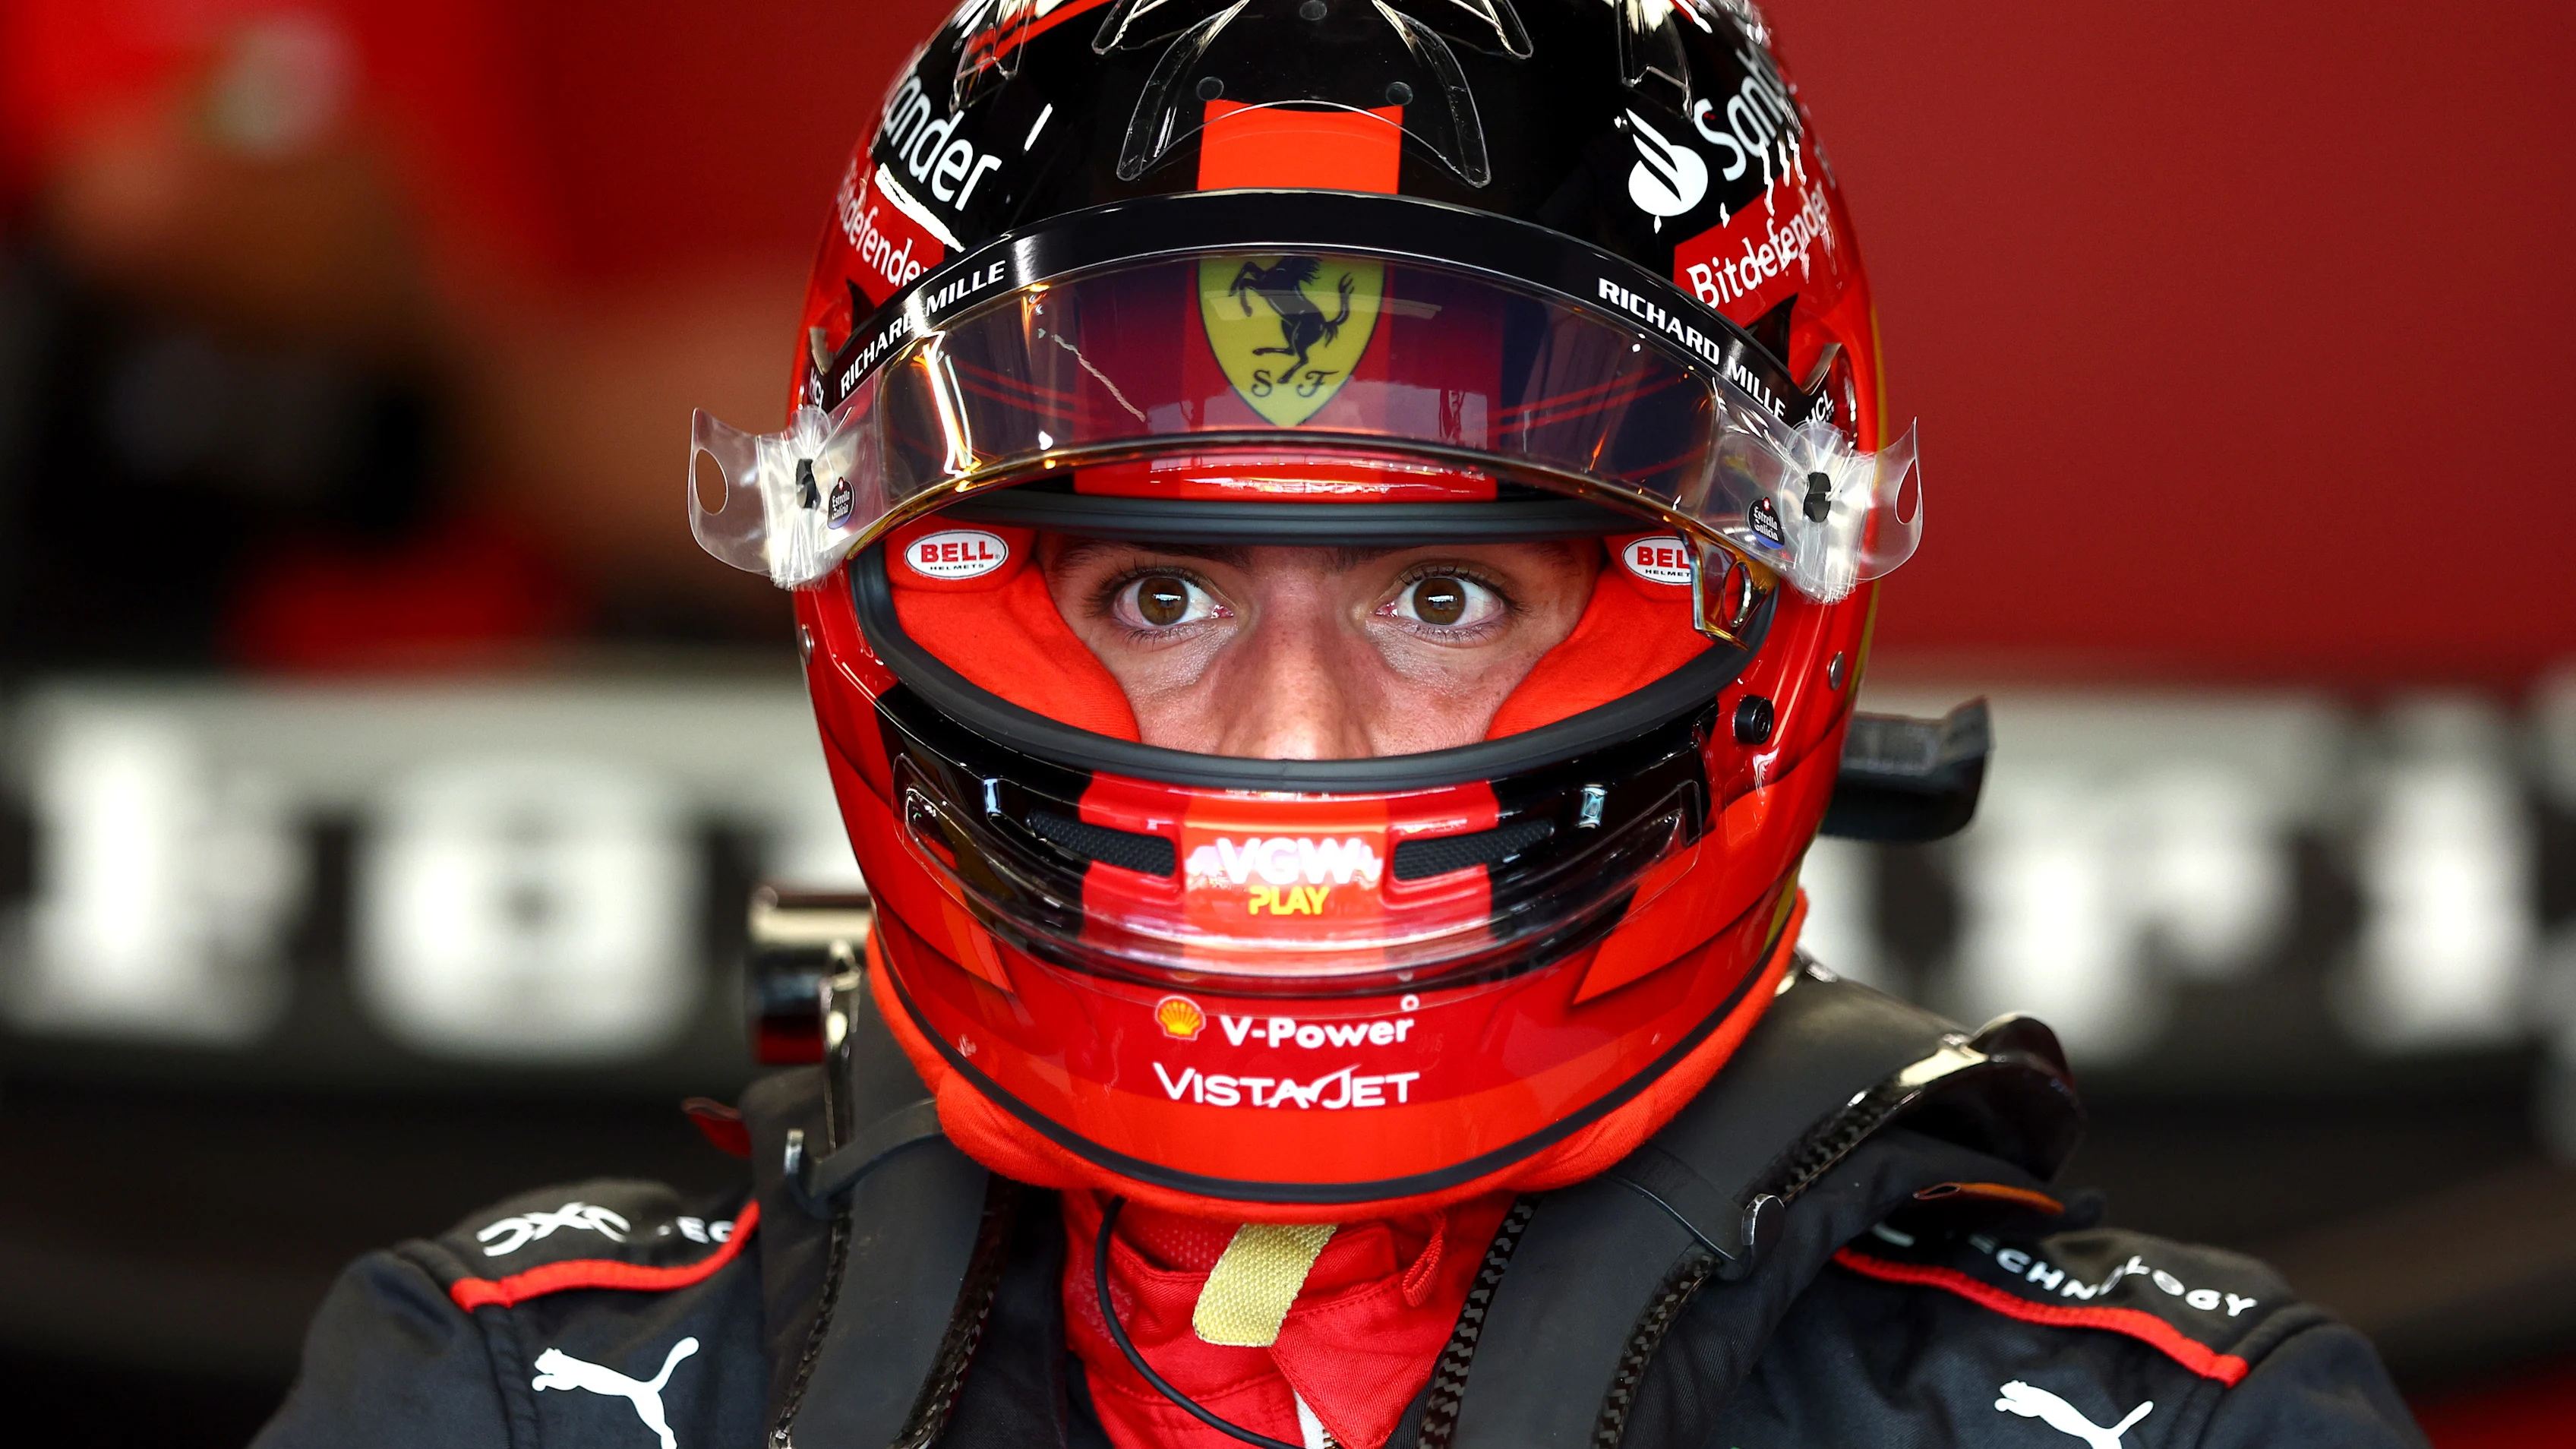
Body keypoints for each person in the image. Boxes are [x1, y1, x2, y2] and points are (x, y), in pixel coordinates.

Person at [253, 3, 2426, 1446]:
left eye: (1444, 589)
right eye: (1165, 590)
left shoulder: (2168, 1427)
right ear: (891, 594)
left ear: (1747, 616)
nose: (1293, 741)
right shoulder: (516, 1399)